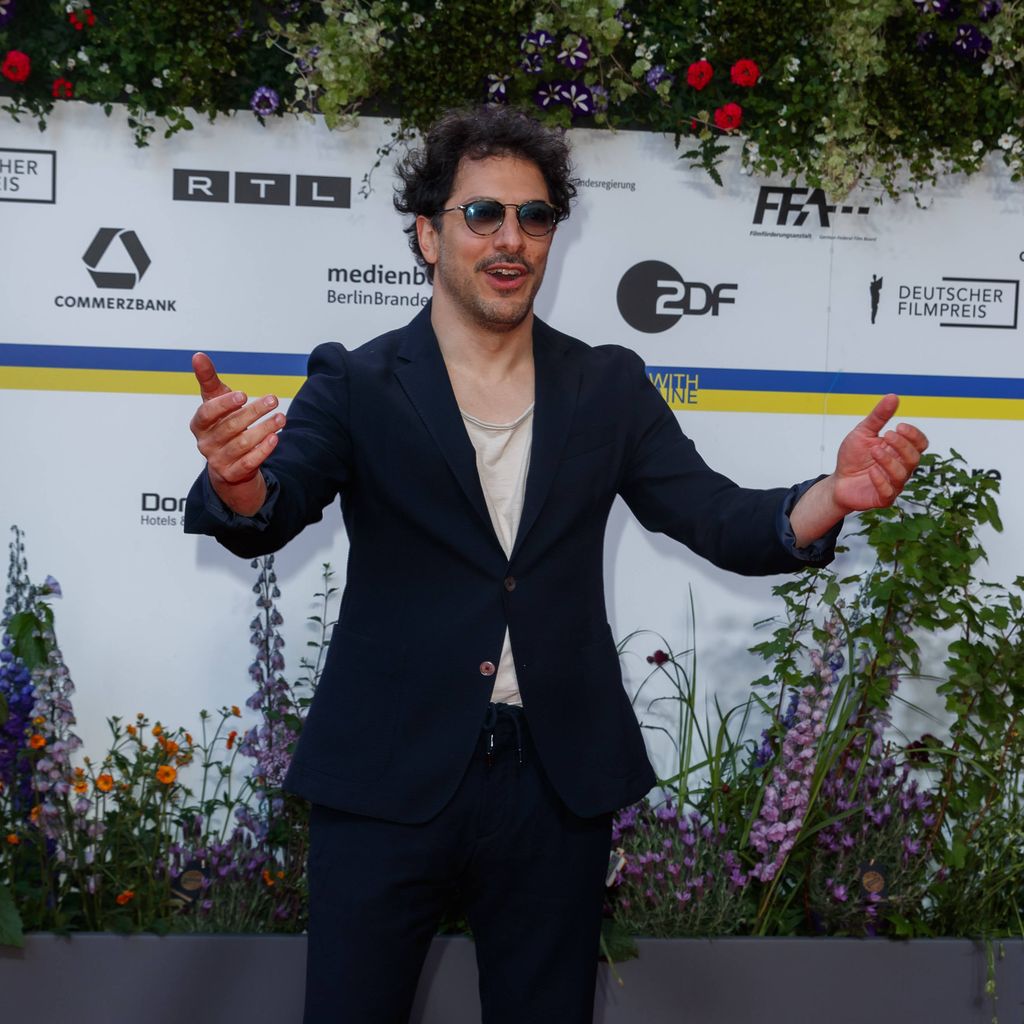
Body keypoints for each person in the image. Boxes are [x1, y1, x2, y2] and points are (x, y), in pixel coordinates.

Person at [184, 106, 928, 1024]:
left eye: (535, 218)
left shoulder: (607, 384)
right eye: (483, 215)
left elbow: (716, 517)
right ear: (427, 233)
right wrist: (238, 480)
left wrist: (833, 496)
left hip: (554, 780)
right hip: (386, 772)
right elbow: (276, 503)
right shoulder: (357, 379)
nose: (512, 240)